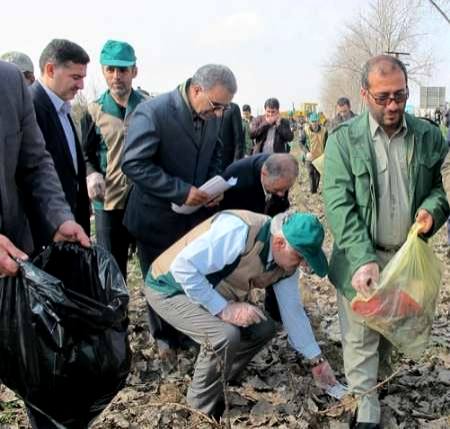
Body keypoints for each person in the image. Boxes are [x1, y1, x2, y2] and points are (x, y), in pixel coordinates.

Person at [323, 55, 449, 429]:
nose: (393, 105)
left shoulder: (428, 136)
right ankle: (366, 408)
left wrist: (431, 211)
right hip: (362, 257)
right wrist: (362, 258)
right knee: (360, 336)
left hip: (405, 257)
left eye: (400, 95)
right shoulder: (345, 140)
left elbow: (440, 192)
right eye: (383, 98)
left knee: (389, 334)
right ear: (364, 95)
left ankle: (377, 381)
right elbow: (338, 202)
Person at [144, 209, 337, 419]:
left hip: (210, 291)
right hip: (169, 288)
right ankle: (199, 410)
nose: (302, 264)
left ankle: (219, 381)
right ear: (280, 243)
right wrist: (224, 309)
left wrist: (316, 360)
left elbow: (293, 311)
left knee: (264, 328)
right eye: (300, 257)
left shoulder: (286, 264)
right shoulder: (239, 231)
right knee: (225, 335)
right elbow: (183, 268)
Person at [122, 64, 237, 358]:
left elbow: (216, 154)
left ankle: (186, 331)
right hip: (155, 218)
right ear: (196, 90)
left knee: (187, 274)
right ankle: (163, 337)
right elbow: (134, 164)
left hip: (193, 217)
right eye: (216, 105)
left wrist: (212, 187)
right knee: (158, 279)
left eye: (225, 107)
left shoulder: (211, 116)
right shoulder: (154, 112)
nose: (219, 114)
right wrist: (180, 190)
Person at [0, 59, 90, 429]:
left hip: (16, 261)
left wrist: (59, 217)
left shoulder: (8, 81)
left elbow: (35, 161)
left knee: (40, 373)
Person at [82, 40, 146, 278]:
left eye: (123, 70)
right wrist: (91, 172)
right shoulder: (94, 110)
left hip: (143, 200)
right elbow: (85, 153)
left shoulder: (148, 108)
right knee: (112, 269)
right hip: (108, 201)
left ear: (134, 72)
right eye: (111, 69)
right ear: (103, 71)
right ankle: (119, 315)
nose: (116, 76)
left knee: (152, 265)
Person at [220, 153, 299, 321]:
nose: (282, 193)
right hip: (237, 231)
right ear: (264, 174)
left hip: (266, 219)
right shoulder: (238, 181)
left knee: (278, 257)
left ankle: (276, 310)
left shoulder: (280, 170)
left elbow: (280, 203)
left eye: (285, 189)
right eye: (278, 189)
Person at [29, 39, 91, 252]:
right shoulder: (31, 107)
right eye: (75, 77)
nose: (81, 85)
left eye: (83, 78)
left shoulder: (64, 109)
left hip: (69, 226)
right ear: (50, 70)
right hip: (46, 234)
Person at [304, 112, 328, 194]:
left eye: (316, 121)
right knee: (310, 173)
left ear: (319, 121)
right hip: (310, 156)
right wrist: (306, 152)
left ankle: (315, 189)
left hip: (320, 156)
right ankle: (312, 190)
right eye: (313, 121)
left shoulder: (324, 131)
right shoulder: (306, 130)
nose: (314, 123)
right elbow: (300, 142)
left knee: (317, 174)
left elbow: (327, 142)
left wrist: (326, 153)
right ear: (310, 122)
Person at [219, 102, 244, 170]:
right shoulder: (210, 106)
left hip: (227, 160)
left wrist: (236, 163)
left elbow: (238, 139)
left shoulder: (233, 108)